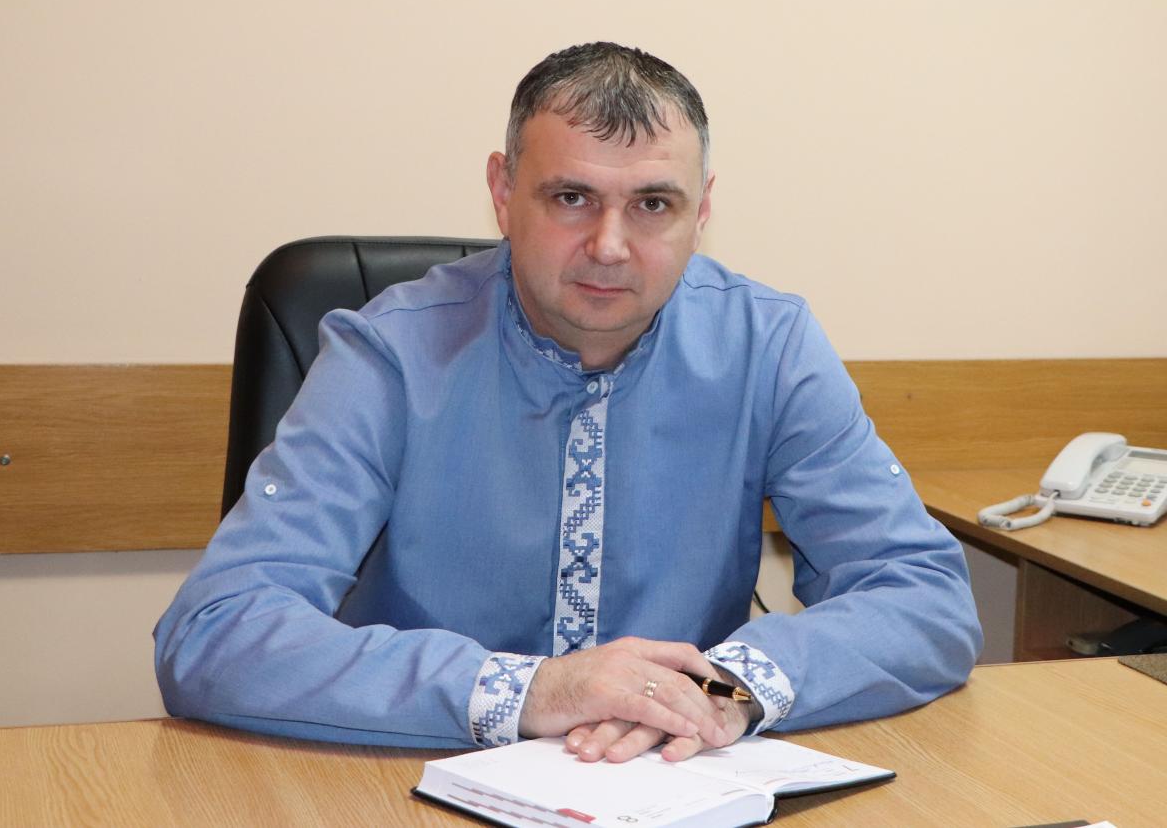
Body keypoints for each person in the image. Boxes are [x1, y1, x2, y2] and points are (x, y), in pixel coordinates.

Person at [154, 42, 981, 764]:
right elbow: (215, 631)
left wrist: (720, 689)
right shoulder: (389, 355)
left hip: (673, 784)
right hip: (404, 779)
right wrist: (535, 690)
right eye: (571, 197)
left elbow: (924, 596)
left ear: (702, 210)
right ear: (503, 190)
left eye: (653, 204)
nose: (609, 246)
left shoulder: (769, 345)